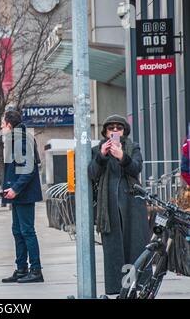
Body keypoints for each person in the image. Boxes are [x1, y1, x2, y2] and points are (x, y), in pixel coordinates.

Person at [88, 114, 149, 295]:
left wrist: (123, 156)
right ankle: (117, 287)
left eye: (119, 128)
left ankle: (137, 286)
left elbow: (136, 168)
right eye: (111, 128)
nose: (115, 131)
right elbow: (92, 173)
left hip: (132, 204)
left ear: (124, 131)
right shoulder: (96, 150)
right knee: (114, 248)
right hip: (109, 207)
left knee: (135, 245)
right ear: (105, 132)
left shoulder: (132, 147)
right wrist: (102, 156)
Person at [0, 110, 44, 283]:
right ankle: (21, 269)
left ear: (9, 124)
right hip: (18, 194)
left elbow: (28, 168)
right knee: (18, 231)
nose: (2, 127)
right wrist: (8, 188)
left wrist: (16, 189)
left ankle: (36, 270)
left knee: (27, 231)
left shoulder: (21, 139)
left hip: (24, 195)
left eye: (3, 124)